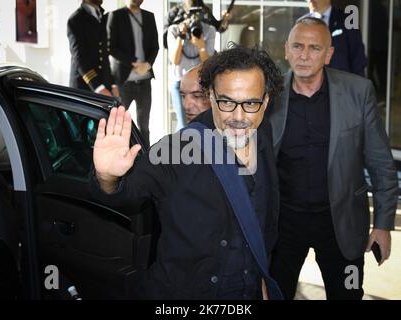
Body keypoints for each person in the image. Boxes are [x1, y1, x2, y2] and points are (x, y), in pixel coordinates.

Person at [90, 46, 283, 299]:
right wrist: (107, 176)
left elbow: (266, 212)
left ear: (265, 101)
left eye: (250, 103)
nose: (238, 116)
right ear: (211, 97)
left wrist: (261, 276)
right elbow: (124, 196)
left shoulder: (263, 131)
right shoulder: (176, 149)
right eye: (226, 102)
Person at [269, 18, 398, 300]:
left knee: (348, 295)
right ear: (286, 49)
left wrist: (383, 225)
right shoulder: (269, 93)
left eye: (315, 48)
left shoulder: (358, 92)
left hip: (341, 223)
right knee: (274, 295)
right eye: (298, 46)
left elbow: (381, 164)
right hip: (283, 224)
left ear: (329, 55)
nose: (304, 55)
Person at [107, 0, 159, 147]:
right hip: (124, 82)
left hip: (145, 81)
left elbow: (155, 46)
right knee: (117, 124)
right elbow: (111, 47)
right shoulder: (115, 16)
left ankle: (146, 161)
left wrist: (148, 64)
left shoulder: (149, 16)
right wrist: (134, 62)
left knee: (144, 128)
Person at [168, 0, 216, 130]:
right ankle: (181, 148)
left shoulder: (209, 30)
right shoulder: (174, 30)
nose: (193, 17)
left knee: (203, 122)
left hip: (201, 85)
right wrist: (180, 36)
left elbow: (209, 63)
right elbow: (175, 60)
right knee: (184, 124)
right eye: (190, 13)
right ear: (183, 13)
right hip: (180, 84)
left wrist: (201, 45)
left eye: (197, 13)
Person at [299, 0, 367, 77]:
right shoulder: (301, 23)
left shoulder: (348, 20)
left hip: (341, 82)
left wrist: (357, 85)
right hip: (310, 82)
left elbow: (358, 57)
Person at [67, 0, 117, 97]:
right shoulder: (75, 19)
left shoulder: (102, 17)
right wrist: (98, 88)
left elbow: (104, 54)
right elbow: (79, 57)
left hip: (104, 85)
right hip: (84, 87)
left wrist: (112, 84)